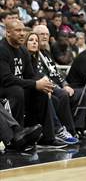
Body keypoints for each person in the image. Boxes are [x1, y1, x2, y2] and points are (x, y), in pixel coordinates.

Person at [0, 20, 65, 148]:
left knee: (41, 92)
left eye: (23, 30)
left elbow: (31, 75)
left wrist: (42, 84)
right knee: (17, 90)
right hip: (4, 89)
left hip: (17, 87)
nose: (22, 34)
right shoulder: (2, 49)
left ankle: (48, 138)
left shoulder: (23, 51)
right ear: (7, 32)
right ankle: (18, 136)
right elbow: (6, 79)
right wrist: (35, 84)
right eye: (18, 31)